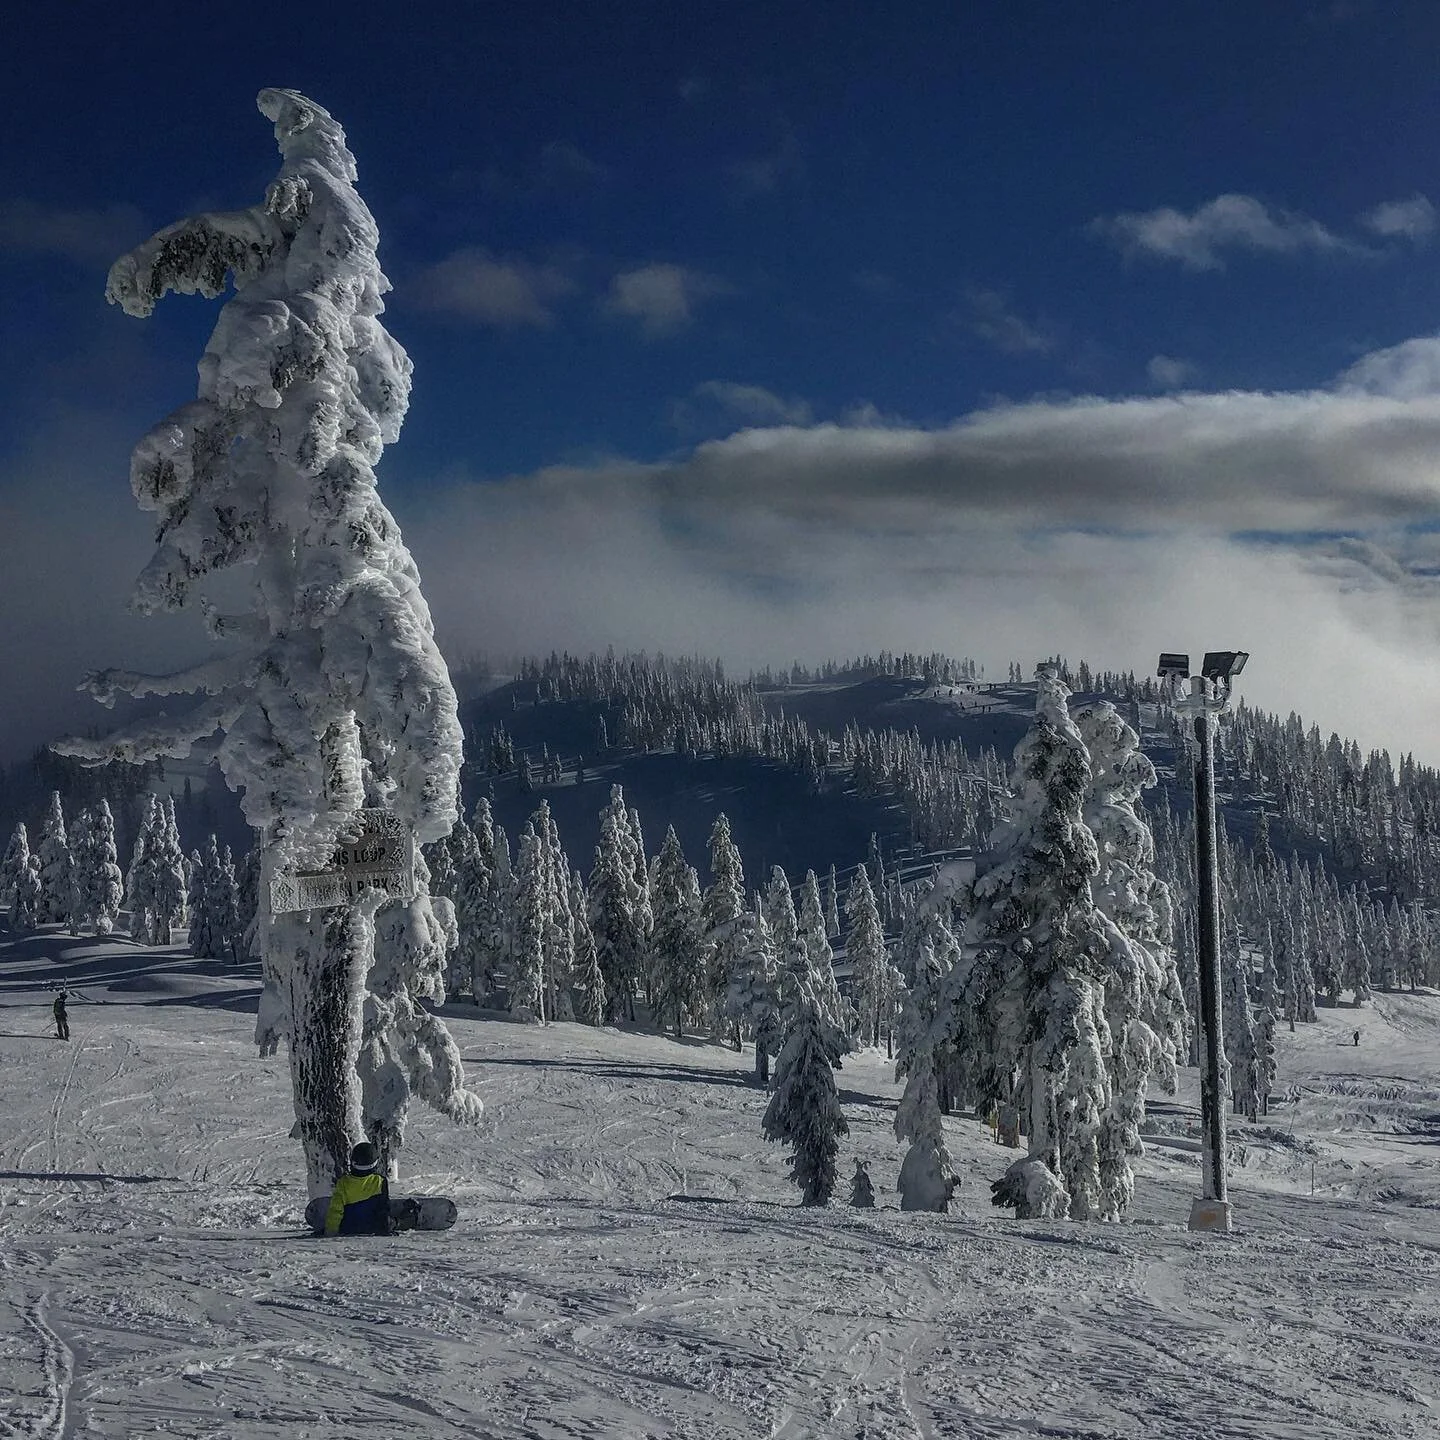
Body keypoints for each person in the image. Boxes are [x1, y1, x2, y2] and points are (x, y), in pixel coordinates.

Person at [323, 1141, 391, 1236]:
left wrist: (331, 1231)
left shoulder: (343, 1182)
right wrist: (385, 1231)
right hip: (372, 1228)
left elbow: (336, 1210)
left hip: (348, 1229)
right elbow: (383, 1209)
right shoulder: (380, 1181)